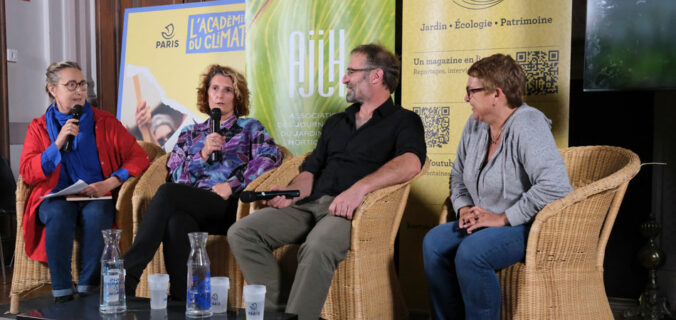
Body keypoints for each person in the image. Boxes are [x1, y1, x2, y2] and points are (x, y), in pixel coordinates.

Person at [227, 44, 427, 320]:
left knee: (318, 245)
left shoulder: (404, 121)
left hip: (352, 213)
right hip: (310, 204)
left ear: (376, 76)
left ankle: (299, 317)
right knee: (242, 232)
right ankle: (279, 312)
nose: (344, 78)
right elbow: (311, 168)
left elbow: (411, 162)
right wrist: (293, 191)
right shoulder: (336, 122)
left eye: (351, 72)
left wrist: (359, 190)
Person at [422, 54, 573, 319]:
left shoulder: (528, 123)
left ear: (497, 94)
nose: (466, 98)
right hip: (481, 220)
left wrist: (504, 218)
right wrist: (464, 208)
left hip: (526, 226)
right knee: (434, 242)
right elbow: (457, 174)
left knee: (472, 252)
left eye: (472, 91)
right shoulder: (475, 124)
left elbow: (555, 185)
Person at [123, 65, 283, 300]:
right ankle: (183, 300)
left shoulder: (250, 128)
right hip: (192, 205)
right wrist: (203, 155)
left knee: (167, 194)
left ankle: (128, 274)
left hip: (229, 207)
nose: (220, 95)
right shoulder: (189, 134)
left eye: (227, 90)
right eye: (215, 88)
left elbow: (270, 158)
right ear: (206, 94)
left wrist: (232, 184)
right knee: (176, 221)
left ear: (236, 97)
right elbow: (175, 175)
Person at [19, 61, 150, 302]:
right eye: (71, 85)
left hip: (95, 194)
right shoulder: (39, 127)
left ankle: (89, 289)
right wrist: (57, 143)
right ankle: (62, 292)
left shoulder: (105, 122)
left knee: (99, 213)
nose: (79, 91)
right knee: (59, 213)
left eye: (82, 84)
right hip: (56, 196)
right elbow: (28, 171)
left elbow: (139, 156)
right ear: (52, 89)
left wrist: (110, 183)